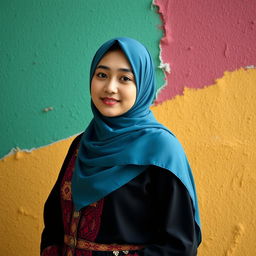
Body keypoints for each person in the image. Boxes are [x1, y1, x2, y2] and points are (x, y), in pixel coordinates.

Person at [40, 37, 202, 256]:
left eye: (125, 78)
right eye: (102, 75)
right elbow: (54, 223)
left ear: (142, 85)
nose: (110, 87)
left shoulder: (161, 150)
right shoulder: (83, 144)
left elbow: (180, 245)